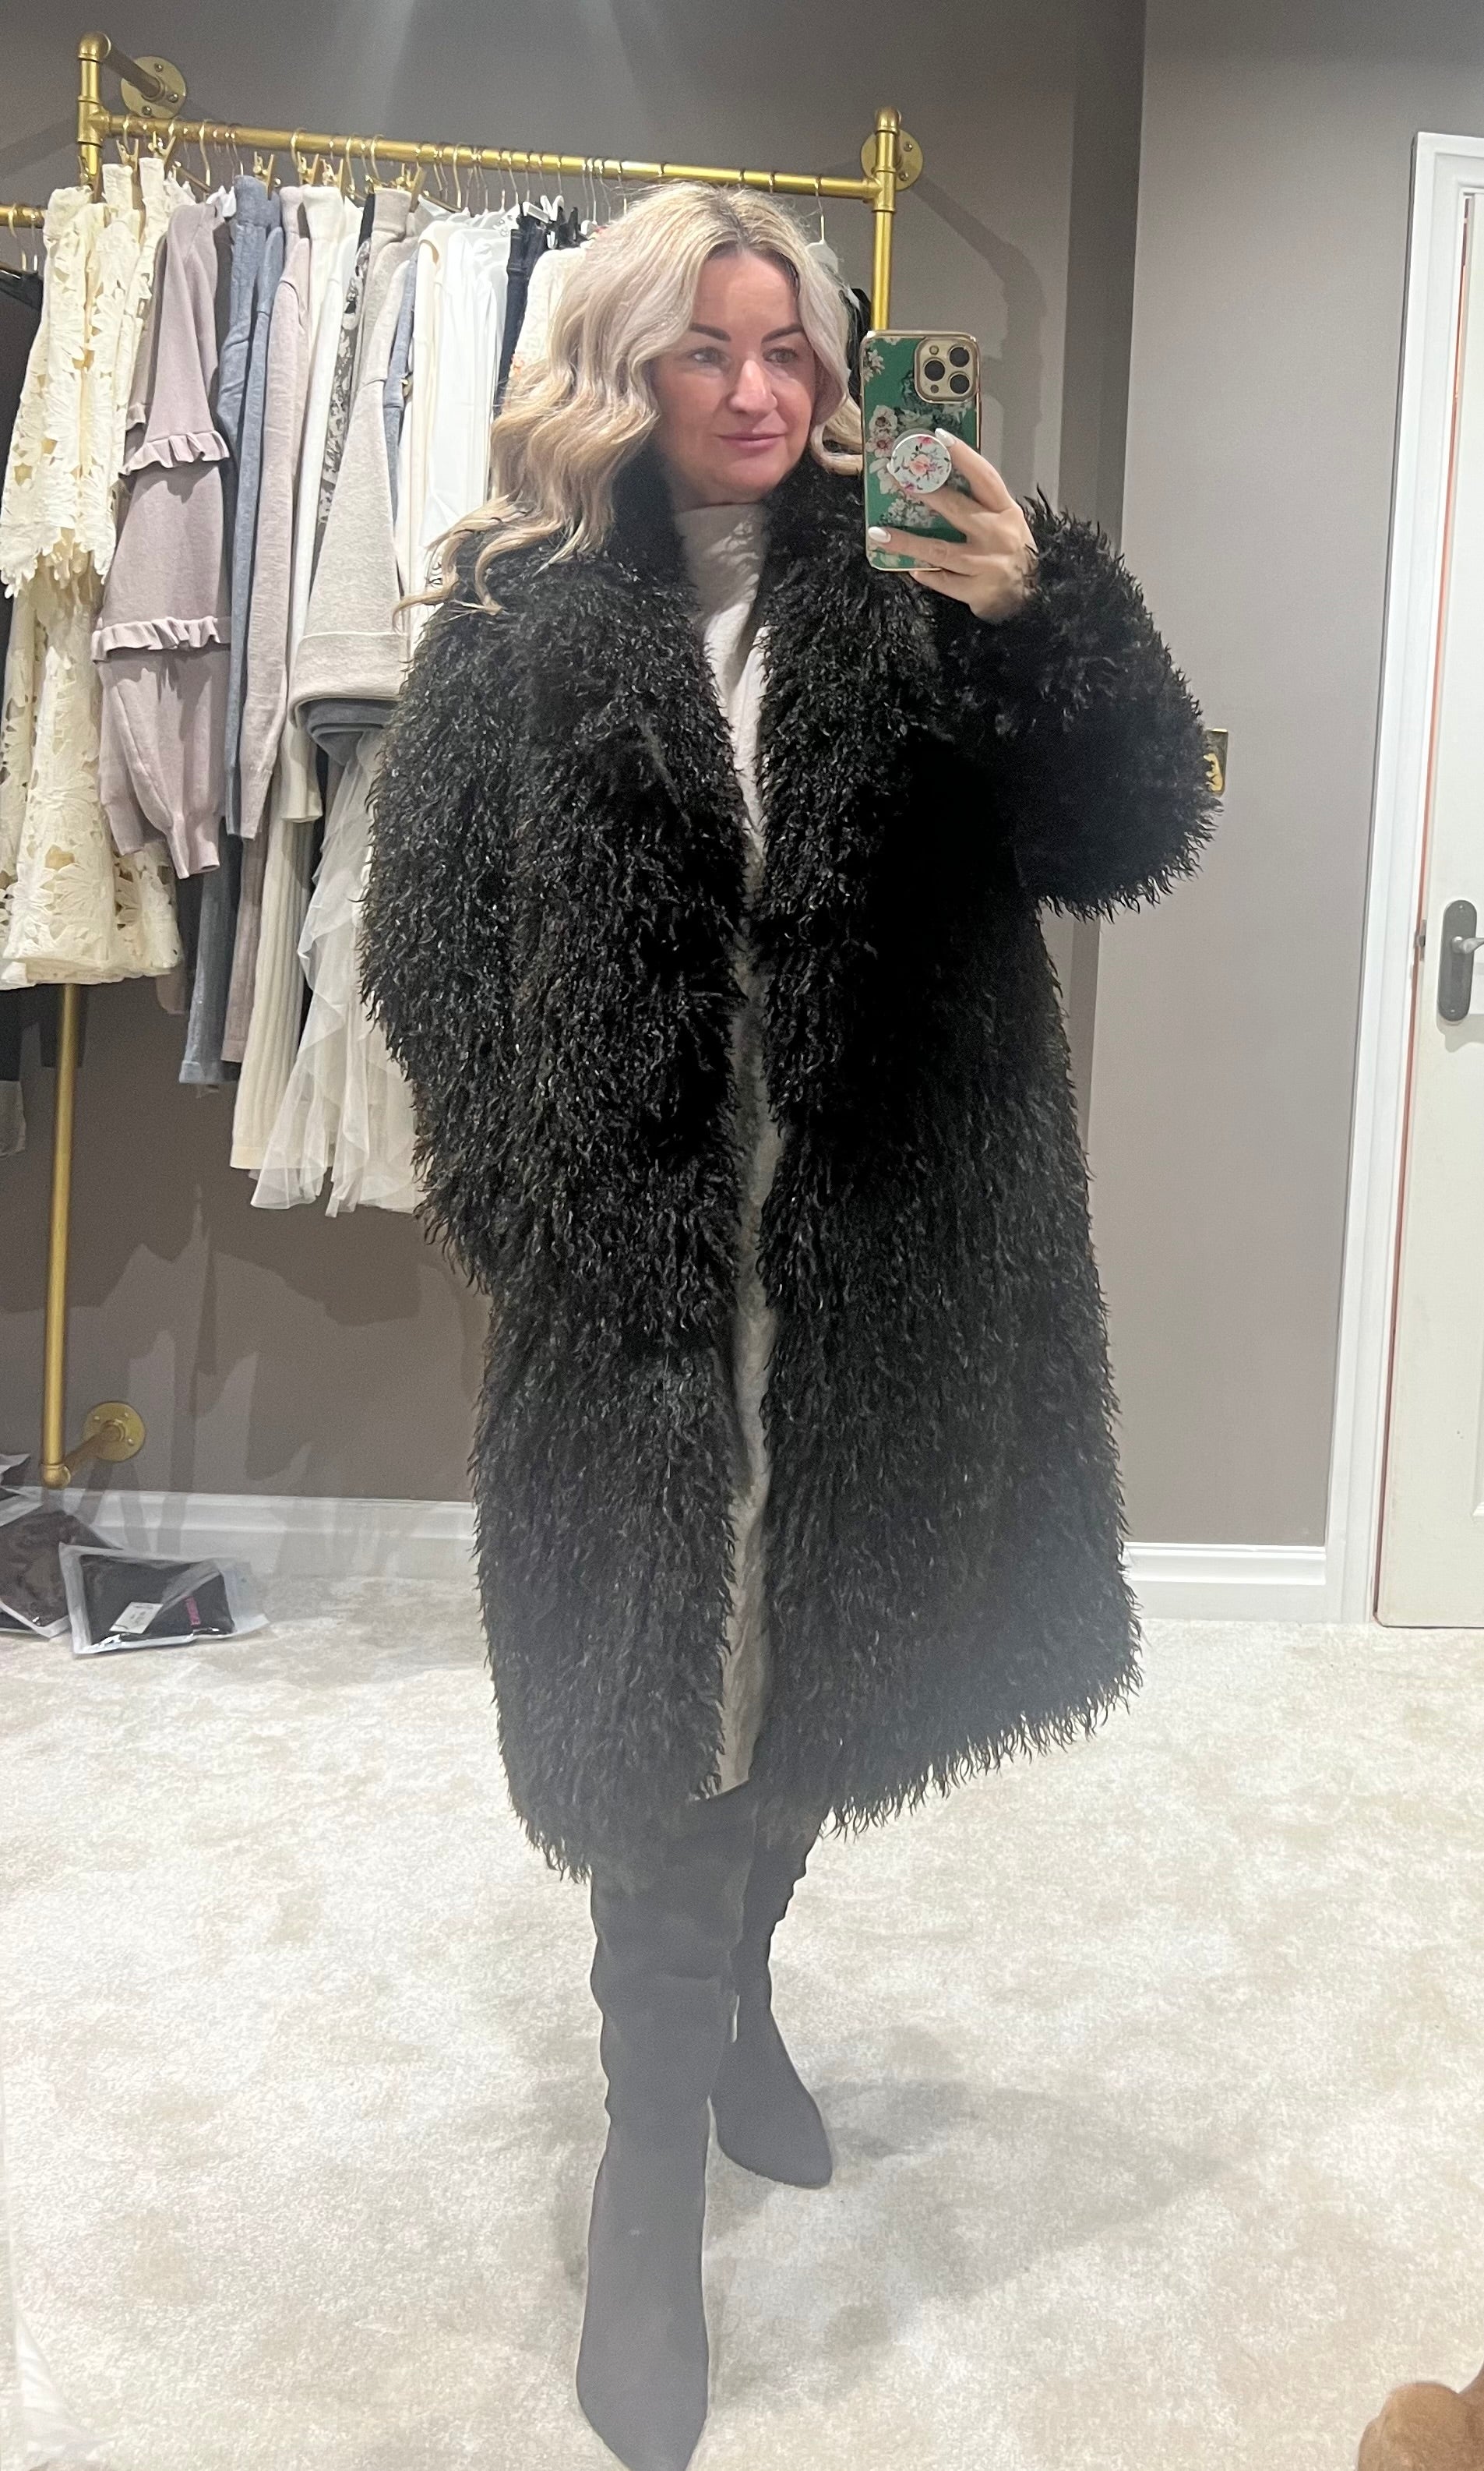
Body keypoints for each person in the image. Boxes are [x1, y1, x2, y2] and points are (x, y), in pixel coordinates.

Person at [361, 182, 1217, 2471]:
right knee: (665, 1689)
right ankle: (649, 2167)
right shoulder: (517, 616)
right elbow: (425, 946)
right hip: (641, 1276)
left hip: (888, 1254)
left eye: (792, 351)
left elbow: (1132, 825)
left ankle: (740, 1990)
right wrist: (541, 1202)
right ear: (624, 368)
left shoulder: (928, 585)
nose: (758, 392)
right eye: (706, 349)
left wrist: (1044, 607)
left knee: (824, 1659)